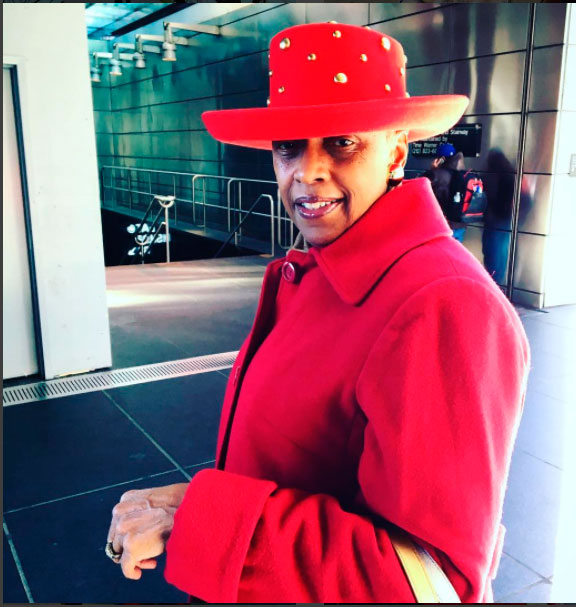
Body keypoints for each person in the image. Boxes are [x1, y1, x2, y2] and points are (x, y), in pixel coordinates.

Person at [104, 23, 530, 603]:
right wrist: (196, 507)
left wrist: (204, 519)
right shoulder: (316, 272)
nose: (306, 171)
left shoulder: (442, 304)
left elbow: (428, 581)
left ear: (396, 152)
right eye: (288, 146)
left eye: (340, 142)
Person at [423, 143, 468, 242]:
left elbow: (420, 184)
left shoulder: (436, 174)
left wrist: (433, 170)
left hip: (444, 225)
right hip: (459, 225)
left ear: (441, 159)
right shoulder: (462, 173)